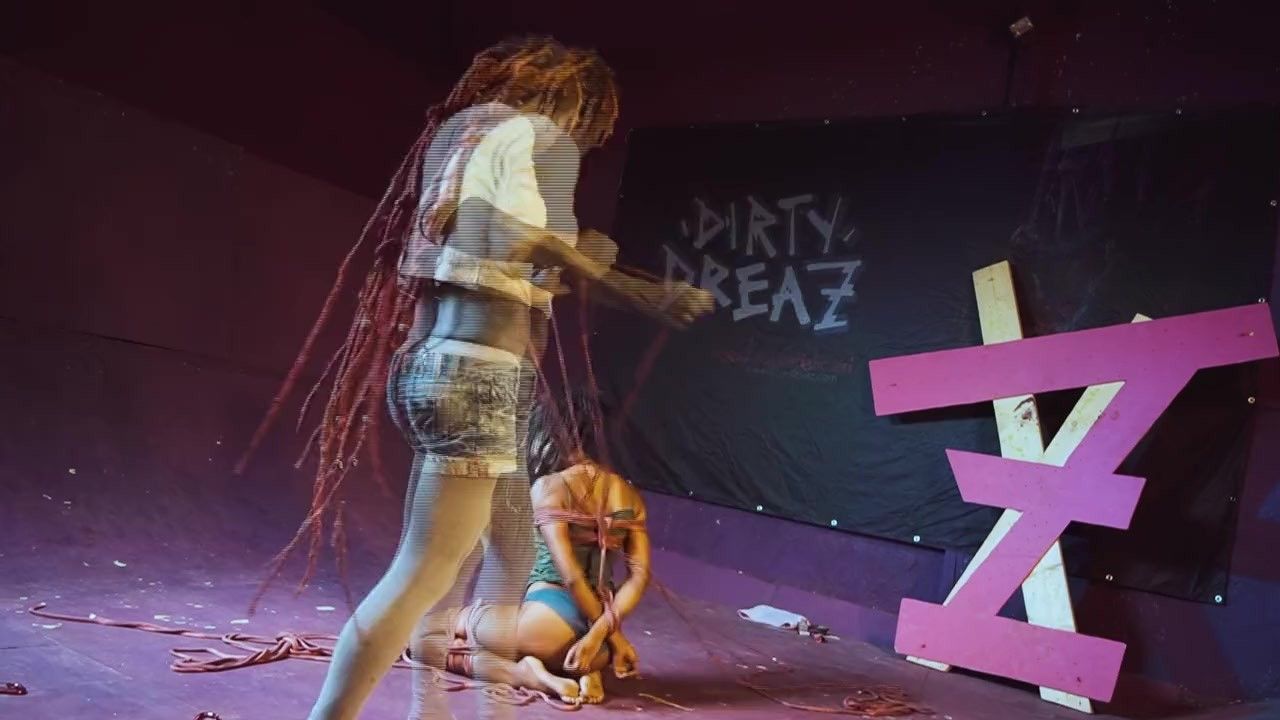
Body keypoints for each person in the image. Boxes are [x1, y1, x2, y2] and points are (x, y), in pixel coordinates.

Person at [237, 36, 713, 720]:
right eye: (590, 121)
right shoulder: (525, 132)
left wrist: (585, 262)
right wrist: (629, 287)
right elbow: (497, 232)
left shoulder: (480, 144)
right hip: (475, 379)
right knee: (423, 571)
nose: (586, 138)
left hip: (457, 374)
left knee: (490, 549)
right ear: (572, 99)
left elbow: (499, 251)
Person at [415, 389, 651, 706]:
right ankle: (583, 671)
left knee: (420, 634)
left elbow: (571, 577)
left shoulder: (550, 487)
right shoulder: (630, 496)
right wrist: (609, 637)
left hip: (547, 621)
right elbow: (639, 577)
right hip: (600, 646)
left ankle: (524, 674)